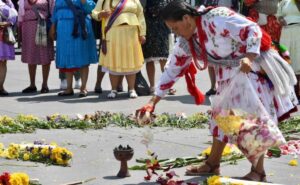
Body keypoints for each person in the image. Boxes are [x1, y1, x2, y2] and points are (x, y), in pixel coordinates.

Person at [136, 1, 298, 182]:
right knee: (221, 119)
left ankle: (258, 171)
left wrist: (249, 56)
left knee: (251, 120)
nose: (175, 32)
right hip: (228, 76)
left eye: (175, 27)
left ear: (187, 18)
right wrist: (152, 102)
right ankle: (213, 163)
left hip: (251, 69)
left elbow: (252, 29)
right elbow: (172, 69)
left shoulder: (217, 17)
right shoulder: (186, 41)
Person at [92, 0, 146, 99]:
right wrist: (100, 14)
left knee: (130, 61)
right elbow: (94, 13)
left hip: (131, 32)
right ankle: (114, 89)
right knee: (114, 60)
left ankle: (131, 89)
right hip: (113, 32)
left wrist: (142, 33)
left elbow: (140, 15)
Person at [49, 0, 98, 97]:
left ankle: (83, 88)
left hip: (79, 28)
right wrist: (53, 26)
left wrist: (84, 1)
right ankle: (69, 88)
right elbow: (56, 11)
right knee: (67, 57)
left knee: (83, 57)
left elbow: (91, 9)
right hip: (63, 29)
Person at [18, 0, 55, 94]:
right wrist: (19, 31)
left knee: (45, 56)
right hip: (27, 27)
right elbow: (20, 15)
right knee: (31, 56)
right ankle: (32, 84)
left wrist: (53, 27)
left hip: (43, 25)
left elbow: (53, 10)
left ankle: (45, 84)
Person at [142, 0, 175, 95]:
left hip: (162, 28)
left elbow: (171, 11)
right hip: (148, 28)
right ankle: (152, 86)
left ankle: (167, 85)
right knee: (149, 59)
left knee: (163, 59)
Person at [277, 0, 300, 101]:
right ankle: (292, 94)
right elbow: (279, 15)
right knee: (287, 60)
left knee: (298, 58)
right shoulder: (283, 2)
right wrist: (281, 19)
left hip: (298, 29)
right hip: (286, 32)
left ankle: (298, 93)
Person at [0, 0, 17, 96]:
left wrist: (7, 23)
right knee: (2, 63)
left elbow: (13, 19)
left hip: (4, 35)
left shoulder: (9, 2)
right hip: (4, 35)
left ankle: (1, 87)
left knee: (3, 62)